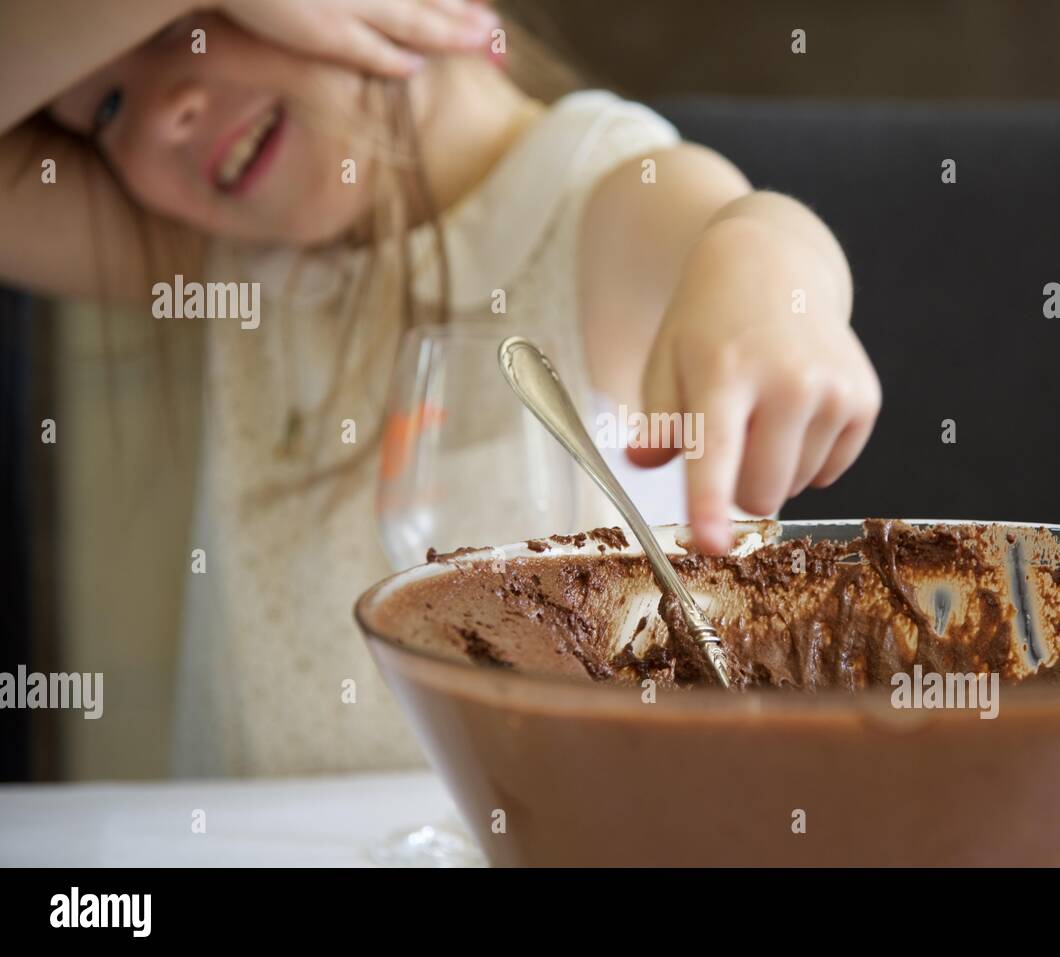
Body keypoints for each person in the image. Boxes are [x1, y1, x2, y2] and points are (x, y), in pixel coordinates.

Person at [0, 0, 881, 775]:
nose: (162, 115)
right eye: (103, 108)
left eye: (187, 30)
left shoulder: (592, 190)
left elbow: (743, 226)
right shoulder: (229, 261)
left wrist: (770, 297)